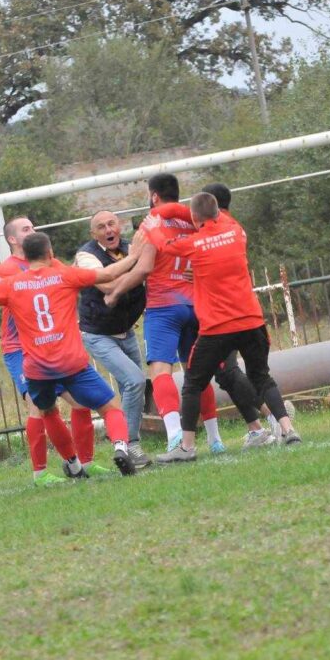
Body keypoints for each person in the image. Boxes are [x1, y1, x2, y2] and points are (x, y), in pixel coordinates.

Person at [127, 192, 303, 463]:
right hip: (251, 321)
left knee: (193, 383)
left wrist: (153, 220)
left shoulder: (194, 244)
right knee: (261, 377)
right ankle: (288, 430)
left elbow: (165, 245)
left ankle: (186, 446)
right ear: (219, 212)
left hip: (218, 327)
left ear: (194, 216)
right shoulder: (236, 231)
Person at [0, 232, 143, 477]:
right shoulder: (64, 275)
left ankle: (73, 465)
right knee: (111, 407)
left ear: (26, 256)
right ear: (50, 253)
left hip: (37, 367)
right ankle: (121, 448)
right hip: (71, 361)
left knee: (48, 411)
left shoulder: (11, 284)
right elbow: (108, 274)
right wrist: (133, 256)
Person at [104, 173, 225, 455]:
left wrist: (115, 292)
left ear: (154, 196)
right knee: (196, 373)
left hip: (164, 306)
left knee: (160, 371)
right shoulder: (193, 220)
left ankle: (174, 437)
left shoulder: (153, 223)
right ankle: (215, 439)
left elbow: (144, 268)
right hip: (194, 304)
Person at [0, 217, 101, 486]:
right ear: (12, 240)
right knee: (39, 407)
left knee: (80, 403)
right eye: (26, 229)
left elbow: (68, 277)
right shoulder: (8, 268)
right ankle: (40, 474)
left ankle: (83, 464)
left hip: (49, 345)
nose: (33, 231)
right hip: (20, 348)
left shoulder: (50, 262)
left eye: (33, 227)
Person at [202, 182, 291, 444]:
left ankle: (273, 418)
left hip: (225, 316)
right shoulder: (235, 227)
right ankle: (262, 427)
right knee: (237, 373)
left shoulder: (218, 230)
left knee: (229, 371)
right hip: (246, 313)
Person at [74, 211, 151, 469]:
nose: (108, 230)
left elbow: (151, 270)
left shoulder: (130, 247)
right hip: (98, 334)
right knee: (135, 381)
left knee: (134, 387)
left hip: (126, 330)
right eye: (101, 227)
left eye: (111, 224)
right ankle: (128, 445)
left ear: (119, 226)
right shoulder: (85, 256)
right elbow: (106, 285)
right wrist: (136, 264)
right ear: (93, 234)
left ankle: (128, 445)